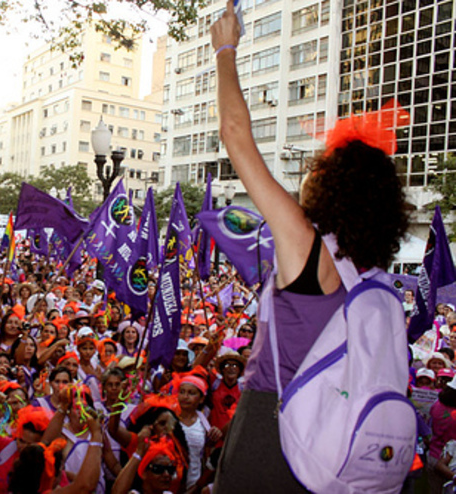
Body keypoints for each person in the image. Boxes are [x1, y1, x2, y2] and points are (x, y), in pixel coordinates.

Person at [209, 3, 409, 491]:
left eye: (315, 169)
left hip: (274, 428)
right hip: (338, 446)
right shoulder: (371, 272)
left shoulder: (306, 244)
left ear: (331, 185)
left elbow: (237, 139)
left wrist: (225, 50)